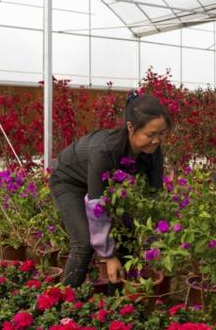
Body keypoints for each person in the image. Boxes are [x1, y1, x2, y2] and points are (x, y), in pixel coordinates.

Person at [49, 92, 171, 292]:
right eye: (150, 135)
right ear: (131, 127)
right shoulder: (105, 149)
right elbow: (97, 202)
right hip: (69, 182)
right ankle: (63, 303)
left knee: (128, 233)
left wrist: (153, 241)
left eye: (162, 133)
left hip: (101, 186)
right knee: (83, 243)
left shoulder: (153, 152)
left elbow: (154, 198)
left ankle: (116, 304)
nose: (157, 140)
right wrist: (108, 256)